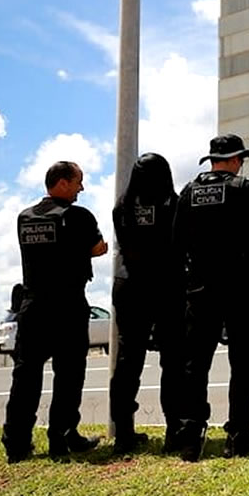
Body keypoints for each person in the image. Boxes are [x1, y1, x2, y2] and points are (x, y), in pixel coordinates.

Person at [173, 134, 249, 462]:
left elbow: (177, 241)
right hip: (240, 287)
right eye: (240, 160)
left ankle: (191, 435)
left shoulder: (188, 191)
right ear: (233, 160)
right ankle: (240, 433)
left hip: (201, 288)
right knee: (243, 362)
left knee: (195, 363)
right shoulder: (243, 189)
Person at [2, 161, 107, 462]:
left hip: (33, 306)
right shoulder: (79, 216)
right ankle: (62, 437)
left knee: (26, 376)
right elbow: (97, 247)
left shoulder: (25, 217)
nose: (81, 188)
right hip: (67, 305)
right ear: (62, 183)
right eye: (78, 182)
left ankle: (16, 443)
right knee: (69, 375)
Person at [109, 153, 183, 455]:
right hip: (166, 284)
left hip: (128, 285)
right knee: (173, 360)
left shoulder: (122, 207)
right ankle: (174, 430)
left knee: (128, 361)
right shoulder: (172, 204)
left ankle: (124, 433)